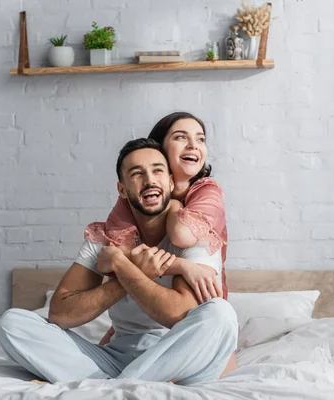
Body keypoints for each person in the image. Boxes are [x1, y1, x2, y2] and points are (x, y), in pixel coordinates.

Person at [0, 138, 238, 385]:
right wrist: (124, 279)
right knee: (13, 323)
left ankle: (108, 388)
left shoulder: (196, 236)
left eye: (157, 170)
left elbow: (177, 313)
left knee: (221, 315)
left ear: (171, 182)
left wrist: (122, 267)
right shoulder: (104, 239)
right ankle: (122, 386)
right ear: (122, 189)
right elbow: (60, 313)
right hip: (116, 358)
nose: (149, 180)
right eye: (137, 173)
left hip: (181, 362)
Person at [87, 112, 236, 373]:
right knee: (123, 330)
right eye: (181, 137)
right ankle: (125, 376)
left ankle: (131, 379)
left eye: (200, 139)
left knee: (217, 317)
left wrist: (175, 206)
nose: (193, 145)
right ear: (159, 148)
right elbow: (118, 256)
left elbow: (180, 235)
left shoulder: (207, 191)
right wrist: (180, 265)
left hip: (200, 304)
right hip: (138, 318)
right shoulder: (131, 197)